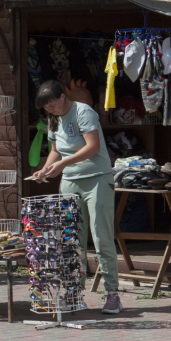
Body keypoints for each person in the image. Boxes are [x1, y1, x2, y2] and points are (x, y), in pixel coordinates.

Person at [32, 80, 121, 314]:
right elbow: (55, 151)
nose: (49, 110)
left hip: (97, 178)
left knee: (101, 236)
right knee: (72, 239)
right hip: (70, 181)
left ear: (63, 96)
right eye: (46, 107)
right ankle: (74, 291)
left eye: (52, 104)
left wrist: (62, 164)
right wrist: (45, 170)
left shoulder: (83, 111)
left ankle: (112, 293)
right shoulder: (53, 119)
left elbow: (92, 146)